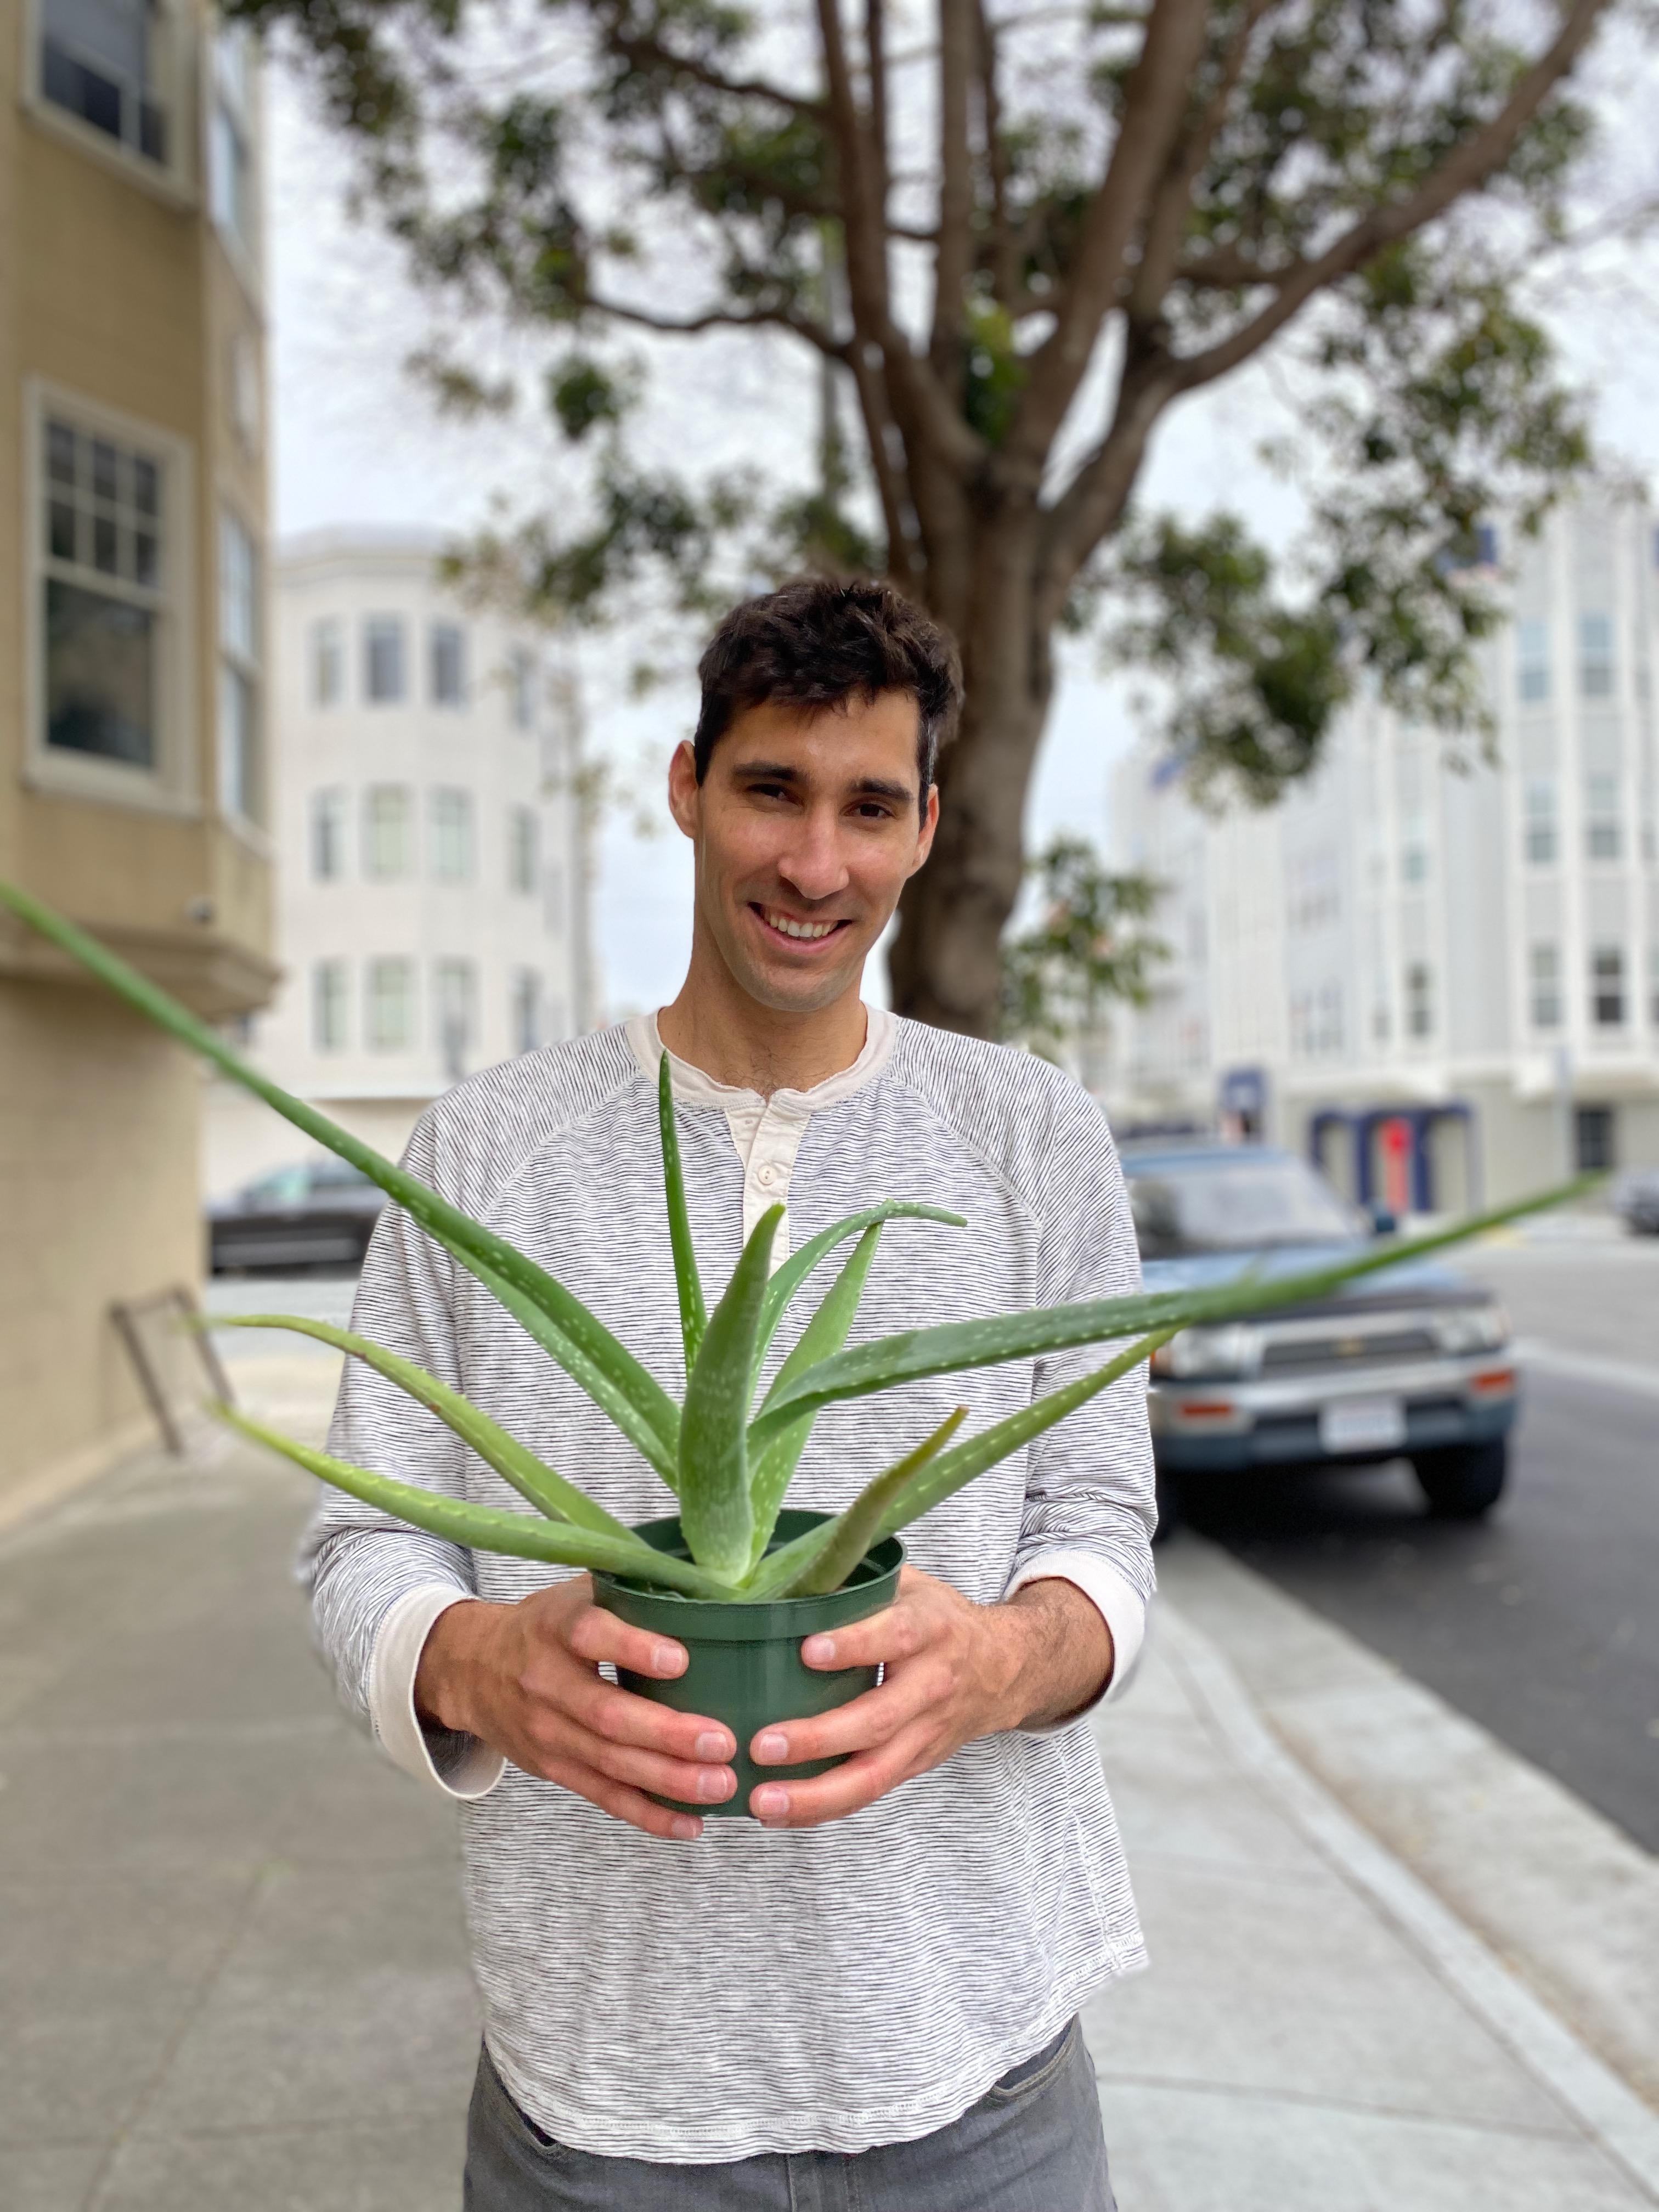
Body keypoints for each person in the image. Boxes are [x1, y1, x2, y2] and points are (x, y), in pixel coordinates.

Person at [302, 577, 1156, 2210]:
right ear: (688, 784)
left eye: (868, 808)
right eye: (772, 790)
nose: (814, 865)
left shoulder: (1034, 1135)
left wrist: (995, 1661)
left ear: (923, 830)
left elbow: (1104, 1528)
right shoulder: (485, 1149)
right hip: (601, 2105)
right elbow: (358, 1551)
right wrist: (481, 1664)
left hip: (981, 2078)